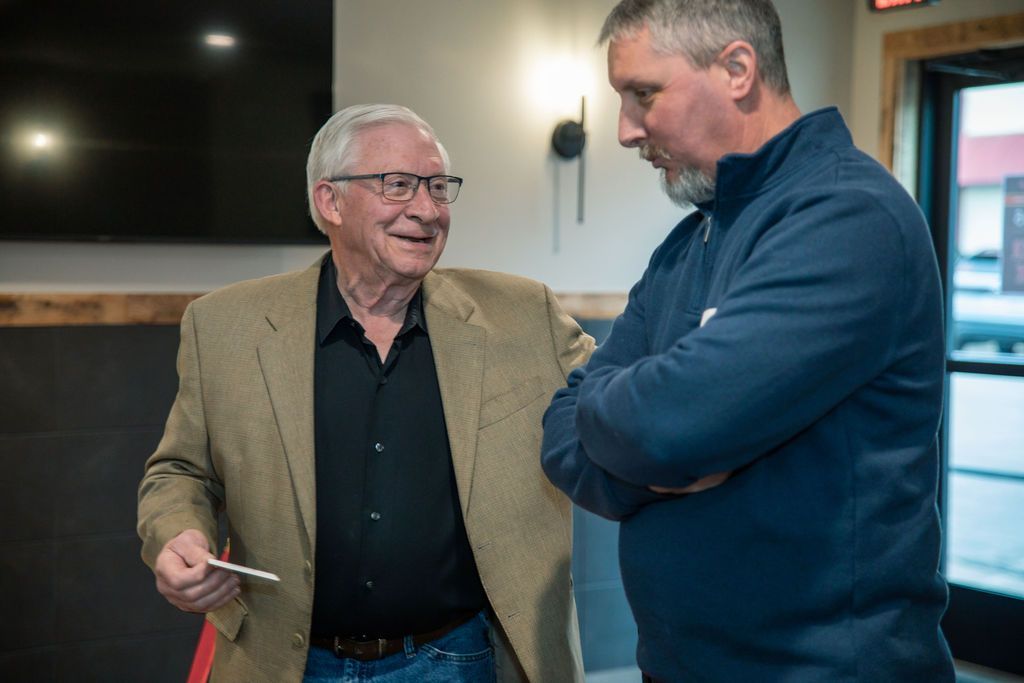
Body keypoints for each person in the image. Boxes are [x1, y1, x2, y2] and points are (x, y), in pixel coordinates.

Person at [541, 1, 955, 680]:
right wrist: (644, 441)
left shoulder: (849, 216)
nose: (624, 130)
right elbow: (562, 433)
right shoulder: (688, 241)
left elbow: (668, 426)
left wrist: (640, 430)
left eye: (644, 94)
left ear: (737, 69)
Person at [138, 103, 590, 683]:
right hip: (286, 663)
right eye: (398, 185)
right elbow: (180, 471)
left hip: (460, 658)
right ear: (330, 201)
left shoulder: (523, 314)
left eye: (438, 187)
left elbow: (623, 401)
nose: (427, 210)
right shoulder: (224, 326)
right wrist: (178, 534)